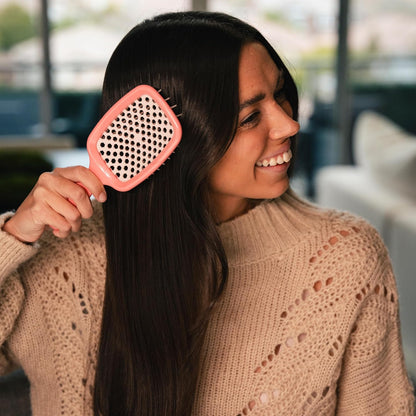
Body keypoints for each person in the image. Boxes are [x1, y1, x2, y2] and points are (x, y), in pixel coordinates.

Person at [0, 11, 414, 416]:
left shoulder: (344, 260)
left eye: (281, 92)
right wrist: (14, 238)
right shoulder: (59, 254)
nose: (288, 124)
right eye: (251, 116)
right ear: (167, 138)